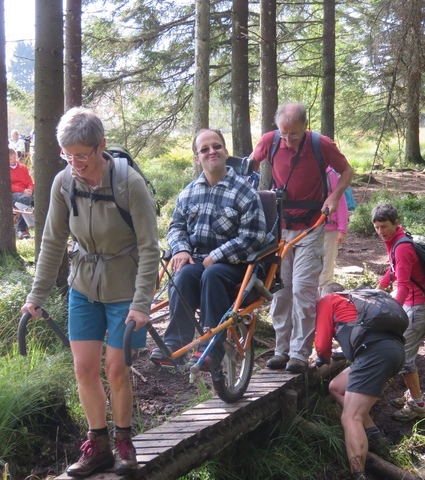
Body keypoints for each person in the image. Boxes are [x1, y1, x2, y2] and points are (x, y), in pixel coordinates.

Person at [21, 107, 159, 477]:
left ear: (101, 146)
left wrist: (142, 303)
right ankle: (97, 444)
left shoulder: (128, 183)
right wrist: (37, 295)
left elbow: (149, 247)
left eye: (81, 155)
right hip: (83, 285)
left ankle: (124, 441)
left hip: (125, 288)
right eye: (68, 155)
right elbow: (52, 241)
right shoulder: (64, 183)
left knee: (116, 368)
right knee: (83, 367)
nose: (75, 163)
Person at [249, 103, 354, 373]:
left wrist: (334, 196)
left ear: (305, 127)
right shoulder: (270, 142)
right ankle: (281, 350)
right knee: (281, 292)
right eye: (283, 134)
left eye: (293, 135)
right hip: (280, 228)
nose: (288, 140)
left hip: (312, 226)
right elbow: (250, 163)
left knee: (303, 290)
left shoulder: (321, 144)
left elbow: (347, 172)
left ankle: (299, 353)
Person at [150, 129, 266, 369]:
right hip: (197, 260)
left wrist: (217, 256)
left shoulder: (245, 192)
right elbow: (176, 227)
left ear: (225, 151)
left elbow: (253, 237)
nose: (211, 152)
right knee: (182, 277)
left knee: (212, 275)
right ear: (197, 158)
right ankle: (174, 345)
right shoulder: (189, 192)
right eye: (204, 149)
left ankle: (212, 349)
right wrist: (181, 249)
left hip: (237, 264)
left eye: (216, 146)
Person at [316, 283, 406, 480]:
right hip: (396, 352)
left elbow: (322, 347)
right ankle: (375, 436)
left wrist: (320, 359)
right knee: (337, 387)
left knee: (350, 417)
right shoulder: (361, 303)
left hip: (373, 355)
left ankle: (358, 475)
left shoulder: (328, 300)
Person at [372, 203, 425, 422]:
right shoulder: (395, 241)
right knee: (405, 356)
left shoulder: (402, 247)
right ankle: (412, 394)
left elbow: (404, 286)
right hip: (412, 304)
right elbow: (395, 268)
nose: (380, 232)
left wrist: (390, 312)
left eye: (384, 226)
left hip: (416, 307)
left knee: (405, 359)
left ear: (396, 223)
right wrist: (381, 285)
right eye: (377, 227)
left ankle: (418, 406)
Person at [318, 165, 349, 294]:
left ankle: (324, 303)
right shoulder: (305, 170)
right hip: (309, 230)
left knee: (326, 268)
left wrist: (342, 229)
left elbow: (341, 201)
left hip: (330, 230)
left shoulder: (330, 174)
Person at [8, 147, 34, 239]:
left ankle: (41, 225)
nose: (9, 160)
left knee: (40, 195)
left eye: (11, 158)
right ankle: (21, 229)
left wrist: (30, 189)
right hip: (13, 193)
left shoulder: (23, 168)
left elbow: (29, 182)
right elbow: (8, 185)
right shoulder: (4, 169)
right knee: (25, 199)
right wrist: (23, 191)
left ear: (16, 157)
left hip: (26, 191)